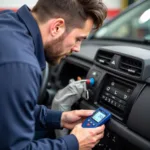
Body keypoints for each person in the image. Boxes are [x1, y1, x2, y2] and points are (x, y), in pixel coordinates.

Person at [0, 0, 107, 149]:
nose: (77, 49)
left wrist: (59, 118)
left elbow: (9, 109)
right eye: (78, 39)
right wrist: (74, 143)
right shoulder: (22, 66)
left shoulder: (8, 21)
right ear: (57, 27)